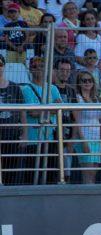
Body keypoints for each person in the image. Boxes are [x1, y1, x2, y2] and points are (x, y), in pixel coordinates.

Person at [20, 55, 63, 184]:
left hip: (50, 137)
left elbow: (60, 109)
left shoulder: (53, 88)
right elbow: (32, 112)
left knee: (51, 175)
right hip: (33, 138)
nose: (38, 69)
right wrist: (51, 108)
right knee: (31, 176)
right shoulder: (26, 89)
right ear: (30, 69)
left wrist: (43, 110)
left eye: (41, 66)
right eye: (35, 66)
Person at [0, 54, 26, 184]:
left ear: (4, 66)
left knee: (11, 170)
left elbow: (22, 112)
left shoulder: (15, 87)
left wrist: (25, 134)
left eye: (0, 64)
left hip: (12, 134)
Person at [72, 70, 101, 183]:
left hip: (96, 138)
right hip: (84, 137)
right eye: (84, 80)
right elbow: (76, 121)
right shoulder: (77, 99)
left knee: (94, 172)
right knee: (87, 172)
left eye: (90, 80)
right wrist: (83, 141)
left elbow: (100, 118)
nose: (87, 83)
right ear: (79, 83)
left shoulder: (96, 99)